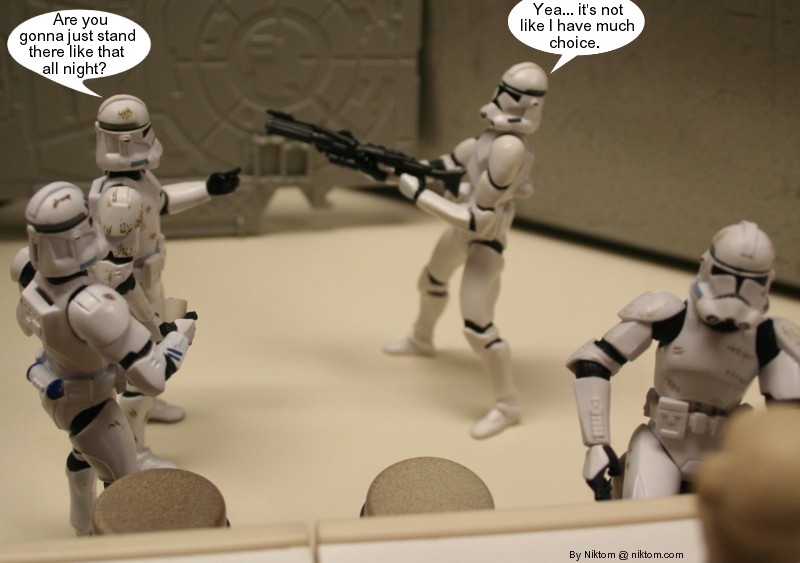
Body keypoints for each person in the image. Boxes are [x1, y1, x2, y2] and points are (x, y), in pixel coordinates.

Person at [567, 221, 800, 499]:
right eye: (724, 276)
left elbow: (788, 414)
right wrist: (597, 444)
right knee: (644, 517)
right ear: (707, 267)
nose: (735, 291)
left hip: (725, 454)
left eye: (751, 282)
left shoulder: (768, 338)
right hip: (662, 445)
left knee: (738, 521)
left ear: (766, 282)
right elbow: (594, 363)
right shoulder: (670, 315)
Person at [12, 182, 193, 535]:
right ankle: (108, 541)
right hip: (91, 403)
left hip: (57, 386)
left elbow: (27, 323)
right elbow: (152, 378)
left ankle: (81, 522)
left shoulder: (29, 273)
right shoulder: (92, 306)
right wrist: (179, 337)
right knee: (123, 482)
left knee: (83, 455)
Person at [386, 62, 548, 439]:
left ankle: (507, 405)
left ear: (528, 104)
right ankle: (421, 338)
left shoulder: (508, 149)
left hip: (484, 243)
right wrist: (385, 168)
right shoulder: (484, 141)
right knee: (430, 281)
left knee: (477, 325)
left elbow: (477, 219)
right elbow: (433, 167)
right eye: (501, 88)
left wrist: (419, 195)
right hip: (460, 234)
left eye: (509, 93)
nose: (498, 97)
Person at [89, 94, 239, 467]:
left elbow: (160, 201)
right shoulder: (119, 198)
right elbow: (118, 273)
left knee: (150, 360)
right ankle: (134, 451)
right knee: (142, 363)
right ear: (129, 141)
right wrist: (151, 322)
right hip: (132, 291)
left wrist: (208, 188)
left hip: (149, 280)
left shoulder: (136, 181)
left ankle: (148, 407)